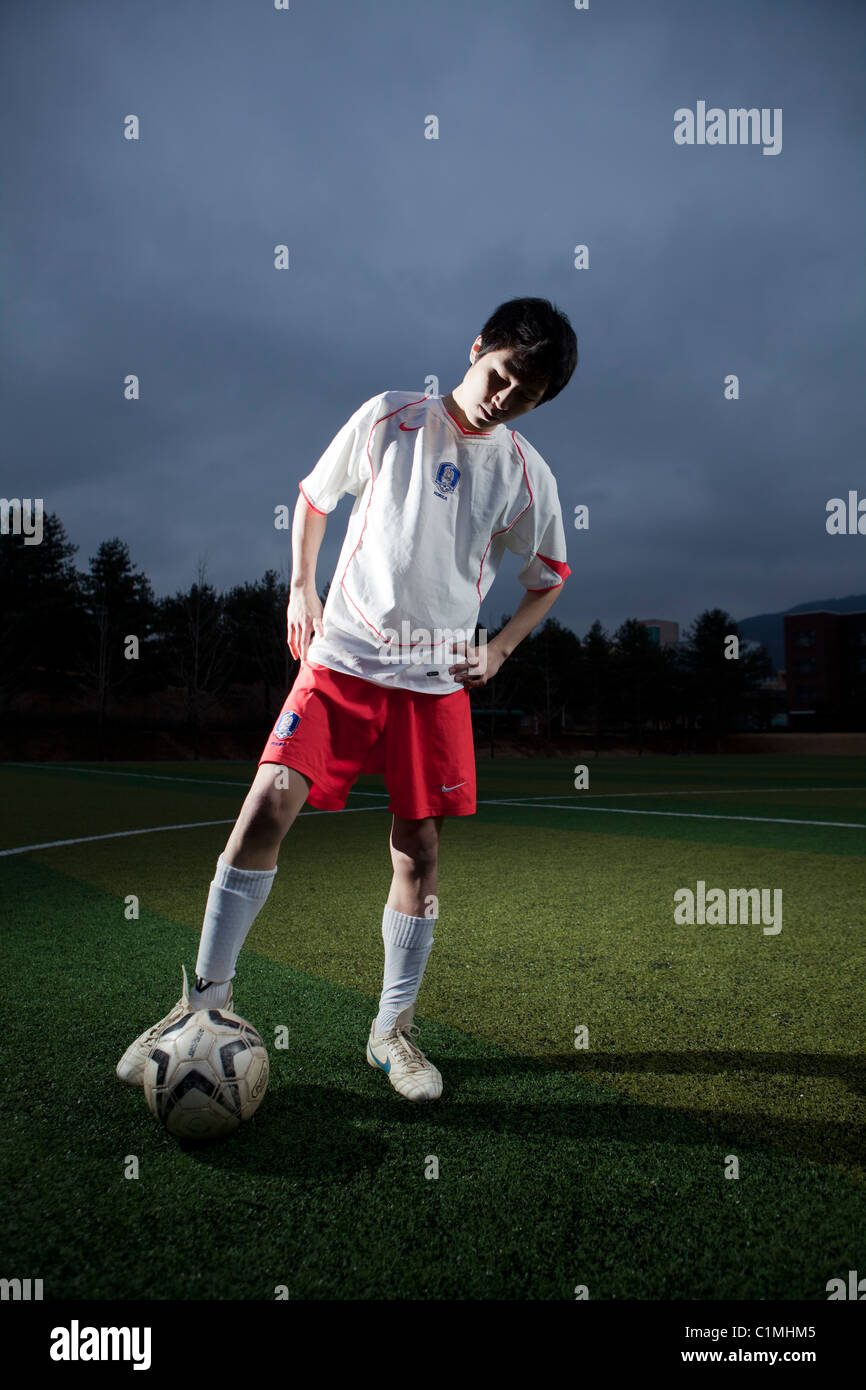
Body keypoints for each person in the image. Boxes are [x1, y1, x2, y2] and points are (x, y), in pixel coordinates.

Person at [116, 296, 578, 1103]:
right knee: (267, 805)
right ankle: (202, 1007)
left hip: (433, 680)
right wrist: (301, 586)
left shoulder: (527, 475)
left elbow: (550, 580)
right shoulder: (390, 418)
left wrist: (499, 648)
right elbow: (316, 498)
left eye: (527, 396)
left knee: (418, 852)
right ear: (477, 349)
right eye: (503, 377)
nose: (507, 399)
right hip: (344, 659)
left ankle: (390, 1032)